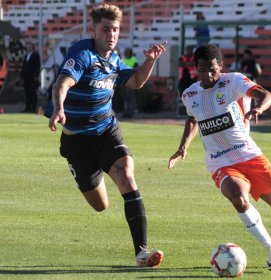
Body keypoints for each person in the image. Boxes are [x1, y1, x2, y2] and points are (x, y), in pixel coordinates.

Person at [48, 4, 166, 267]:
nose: (111, 34)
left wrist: (150, 61)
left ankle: (141, 253)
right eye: (105, 29)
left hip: (106, 130)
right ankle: (89, 170)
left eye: (115, 29)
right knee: (100, 205)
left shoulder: (113, 59)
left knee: (126, 175)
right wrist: (59, 108)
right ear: (93, 29)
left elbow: (136, 81)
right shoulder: (82, 53)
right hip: (77, 141)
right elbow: (63, 82)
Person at [168, 44, 271, 270]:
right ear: (195, 69)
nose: (208, 75)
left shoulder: (234, 81)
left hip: (248, 153)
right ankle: (270, 247)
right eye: (202, 70)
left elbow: (267, 95)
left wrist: (259, 109)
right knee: (238, 197)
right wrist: (183, 147)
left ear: (220, 66)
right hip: (219, 160)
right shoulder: (190, 94)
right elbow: (193, 119)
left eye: (213, 69)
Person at [20, 42, 41, 112]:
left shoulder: (36, 55)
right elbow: (23, 67)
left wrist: (36, 76)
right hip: (26, 78)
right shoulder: (26, 56)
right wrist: (21, 77)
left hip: (32, 78)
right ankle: (27, 107)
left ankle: (34, 108)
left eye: (30, 46)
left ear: (32, 47)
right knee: (27, 93)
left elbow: (37, 66)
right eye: (28, 46)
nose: (28, 47)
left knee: (33, 92)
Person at [121, 47, 139, 118]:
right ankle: (126, 112)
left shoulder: (134, 60)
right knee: (125, 98)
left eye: (127, 52)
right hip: (123, 82)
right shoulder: (123, 60)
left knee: (130, 98)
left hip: (131, 82)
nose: (126, 53)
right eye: (125, 52)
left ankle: (131, 112)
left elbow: (136, 70)